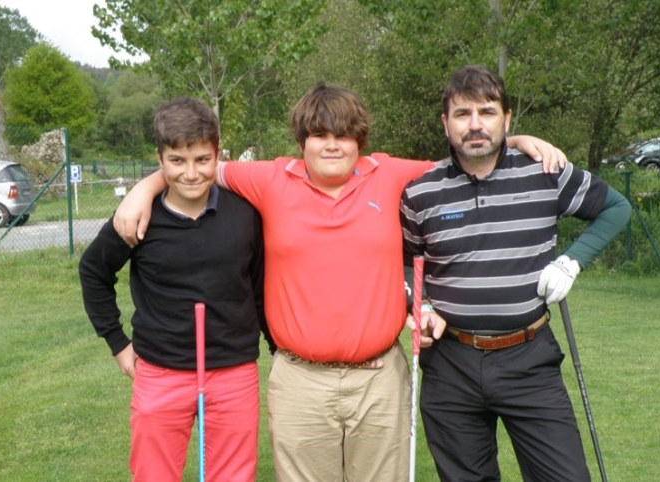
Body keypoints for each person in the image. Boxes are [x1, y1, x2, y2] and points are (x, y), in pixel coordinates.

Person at [112, 83, 566, 482]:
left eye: (343, 135)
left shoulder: (388, 173)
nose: (332, 146)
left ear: (360, 142)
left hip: (380, 378)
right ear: (302, 141)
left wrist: (517, 139)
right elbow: (196, 166)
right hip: (300, 381)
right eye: (319, 136)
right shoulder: (268, 178)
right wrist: (145, 187)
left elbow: (469, 155)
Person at [399, 65, 632, 482]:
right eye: (462, 114)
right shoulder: (421, 191)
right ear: (445, 123)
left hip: (529, 357)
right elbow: (406, 262)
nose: (475, 125)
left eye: (487, 112)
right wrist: (421, 305)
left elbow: (616, 208)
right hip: (450, 363)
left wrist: (571, 260)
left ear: (507, 119)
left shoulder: (545, 170)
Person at [79, 98, 271, 482]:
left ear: (218, 154)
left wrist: (277, 348)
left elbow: (259, 286)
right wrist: (117, 342)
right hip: (161, 370)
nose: (191, 173)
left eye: (202, 159)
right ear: (160, 159)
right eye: (177, 161)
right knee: (153, 475)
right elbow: (93, 271)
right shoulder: (137, 217)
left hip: (233, 371)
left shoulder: (245, 213)